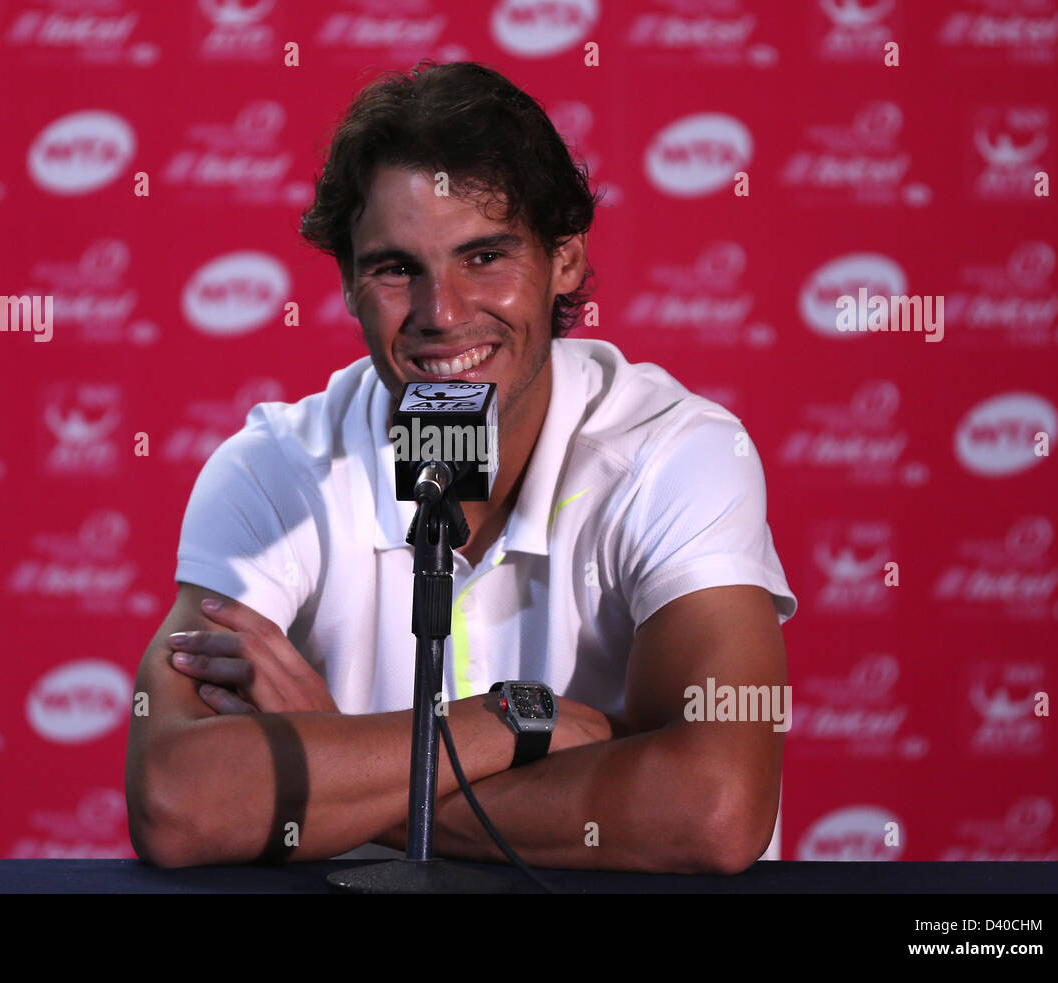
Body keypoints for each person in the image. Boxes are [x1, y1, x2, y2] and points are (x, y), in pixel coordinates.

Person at [125, 61, 796, 873]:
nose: (441, 314)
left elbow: (712, 810)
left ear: (568, 259)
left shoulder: (674, 453)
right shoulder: (276, 469)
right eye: (397, 268)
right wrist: (513, 722)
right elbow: (176, 804)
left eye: (484, 257)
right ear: (345, 283)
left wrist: (343, 771)